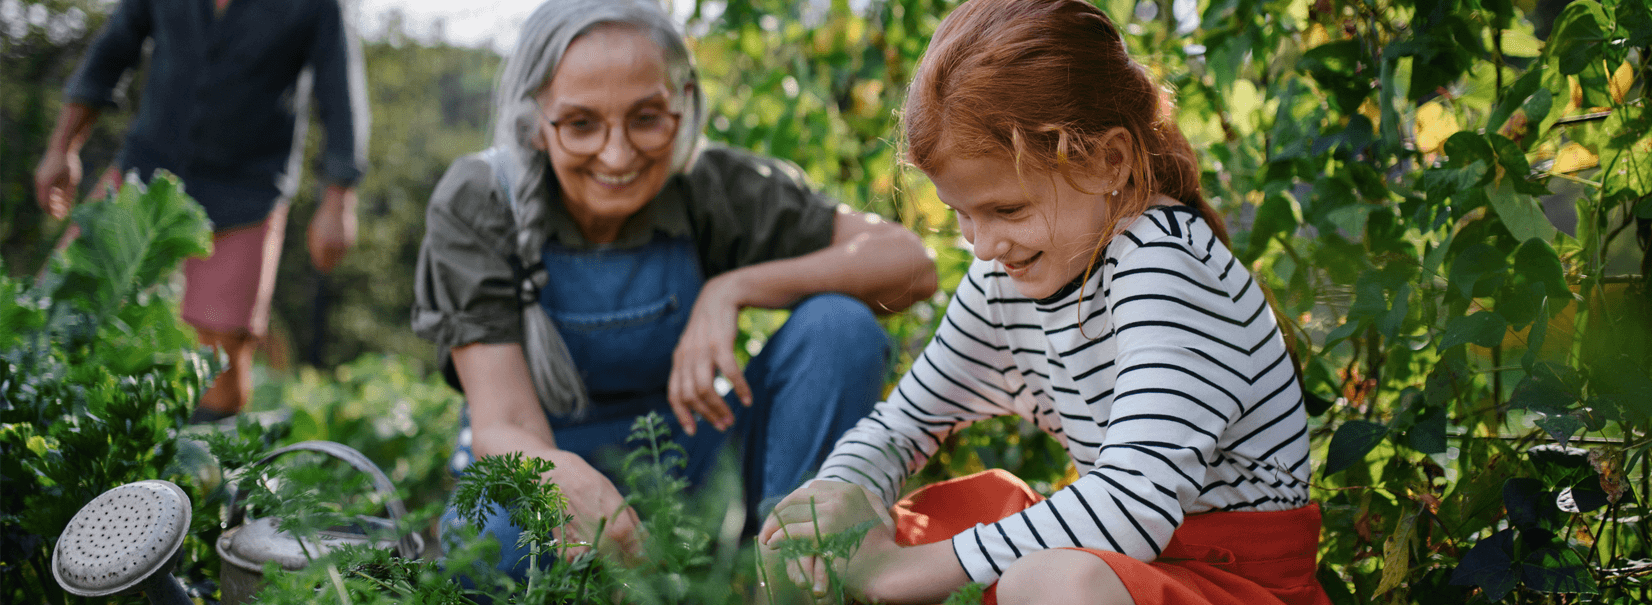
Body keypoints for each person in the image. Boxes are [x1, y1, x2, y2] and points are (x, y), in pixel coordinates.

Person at [758, 1, 1331, 604]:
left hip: (1232, 582)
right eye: (962, 215)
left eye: (1008, 209)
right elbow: (905, 425)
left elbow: (1134, 505)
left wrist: (906, 572)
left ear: (1109, 160)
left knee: (1054, 583)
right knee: (813, 536)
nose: (982, 246)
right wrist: (846, 492)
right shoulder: (1009, 278)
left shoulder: (1165, 265)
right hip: (1129, 557)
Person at [410, 0, 938, 579]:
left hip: (696, 466)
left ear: (684, 102)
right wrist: (574, 490)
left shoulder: (714, 186)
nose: (617, 154)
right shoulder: (481, 198)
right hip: (540, 465)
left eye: (646, 118)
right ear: (535, 118)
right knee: (503, 548)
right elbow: (502, 422)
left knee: (840, 326)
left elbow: (909, 263)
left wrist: (732, 290)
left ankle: (784, 571)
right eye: (582, 124)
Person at [34, 0, 369, 423]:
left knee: (218, 363)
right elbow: (112, 51)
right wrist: (63, 147)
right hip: (146, 174)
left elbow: (341, 94)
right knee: (58, 306)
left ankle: (198, 478)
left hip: (245, 193)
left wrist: (340, 198)